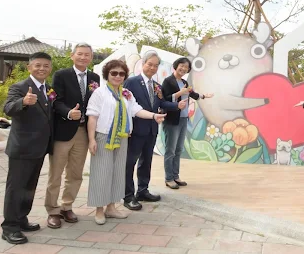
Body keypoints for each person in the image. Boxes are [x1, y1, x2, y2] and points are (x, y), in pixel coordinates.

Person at [85, 59, 167, 225]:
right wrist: (91, 139)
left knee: (117, 173)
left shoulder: (126, 94)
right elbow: (92, 117)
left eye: (121, 73)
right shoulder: (100, 93)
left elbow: (136, 110)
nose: (118, 76)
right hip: (103, 137)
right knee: (102, 173)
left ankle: (111, 207)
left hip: (122, 138)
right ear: (107, 74)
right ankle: (99, 210)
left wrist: (153, 116)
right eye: (114, 73)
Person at [45, 43, 100, 229]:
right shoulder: (61, 75)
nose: (83, 57)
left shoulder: (95, 77)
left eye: (87, 55)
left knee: (76, 173)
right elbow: (55, 100)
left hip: (84, 132)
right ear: (72, 55)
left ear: (91, 58)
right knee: (56, 174)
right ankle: (52, 210)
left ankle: (66, 206)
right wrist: (69, 113)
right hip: (63, 131)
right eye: (80, 54)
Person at [1, 52, 54, 244]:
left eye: (46, 66)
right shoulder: (20, 87)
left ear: (50, 68)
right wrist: (22, 102)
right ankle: (9, 227)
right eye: (38, 65)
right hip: (22, 148)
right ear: (29, 67)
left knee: (29, 187)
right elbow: (7, 108)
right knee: (16, 188)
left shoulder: (48, 88)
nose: (42, 69)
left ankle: (21, 219)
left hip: (39, 148)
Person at [123, 51, 186, 211]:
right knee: (130, 163)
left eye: (155, 65)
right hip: (135, 130)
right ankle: (128, 196)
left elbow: (162, 103)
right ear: (143, 64)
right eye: (149, 64)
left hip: (152, 129)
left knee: (146, 161)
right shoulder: (131, 82)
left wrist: (176, 106)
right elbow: (126, 105)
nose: (152, 68)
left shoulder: (157, 86)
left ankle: (142, 191)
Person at [161, 57, 213, 189]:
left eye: (186, 67)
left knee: (178, 149)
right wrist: (180, 93)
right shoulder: (168, 81)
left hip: (183, 119)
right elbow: (165, 99)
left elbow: (192, 94)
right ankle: (168, 178)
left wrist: (203, 96)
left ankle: (175, 176)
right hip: (172, 120)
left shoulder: (184, 82)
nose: (183, 69)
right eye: (181, 66)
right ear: (176, 65)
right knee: (170, 150)